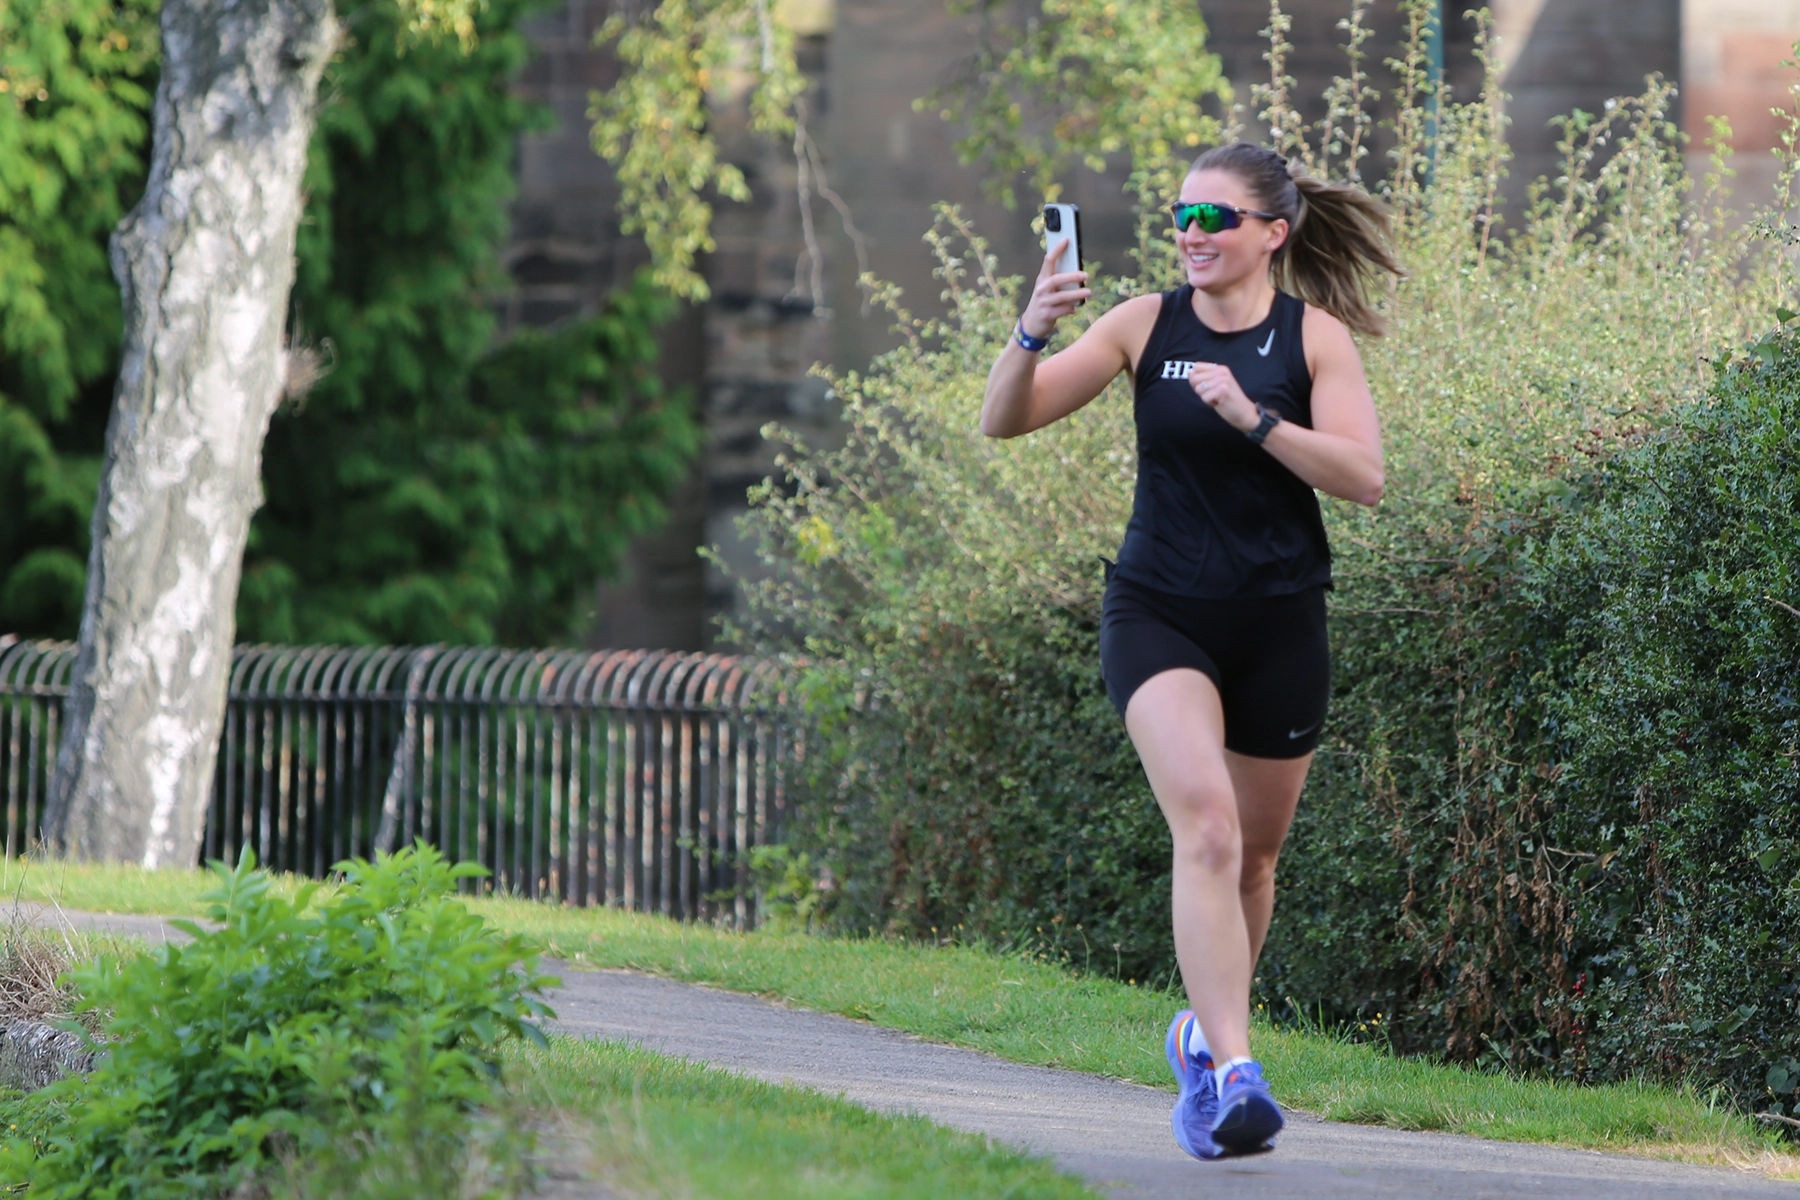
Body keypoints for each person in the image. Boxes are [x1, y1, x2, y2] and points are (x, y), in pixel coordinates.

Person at [979, 142, 1400, 1158]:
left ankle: (1200, 1044)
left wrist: (1253, 418)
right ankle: (1237, 1072)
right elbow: (1005, 420)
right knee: (1206, 830)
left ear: (1272, 233)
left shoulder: (1314, 340)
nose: (1194, 234)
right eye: (1183, 216)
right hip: (1158, 612)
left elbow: (1363, 477)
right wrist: (1032, 330)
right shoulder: (1142, 324)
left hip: (1280, 619)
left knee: (1254, 858)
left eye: (1217, 219)